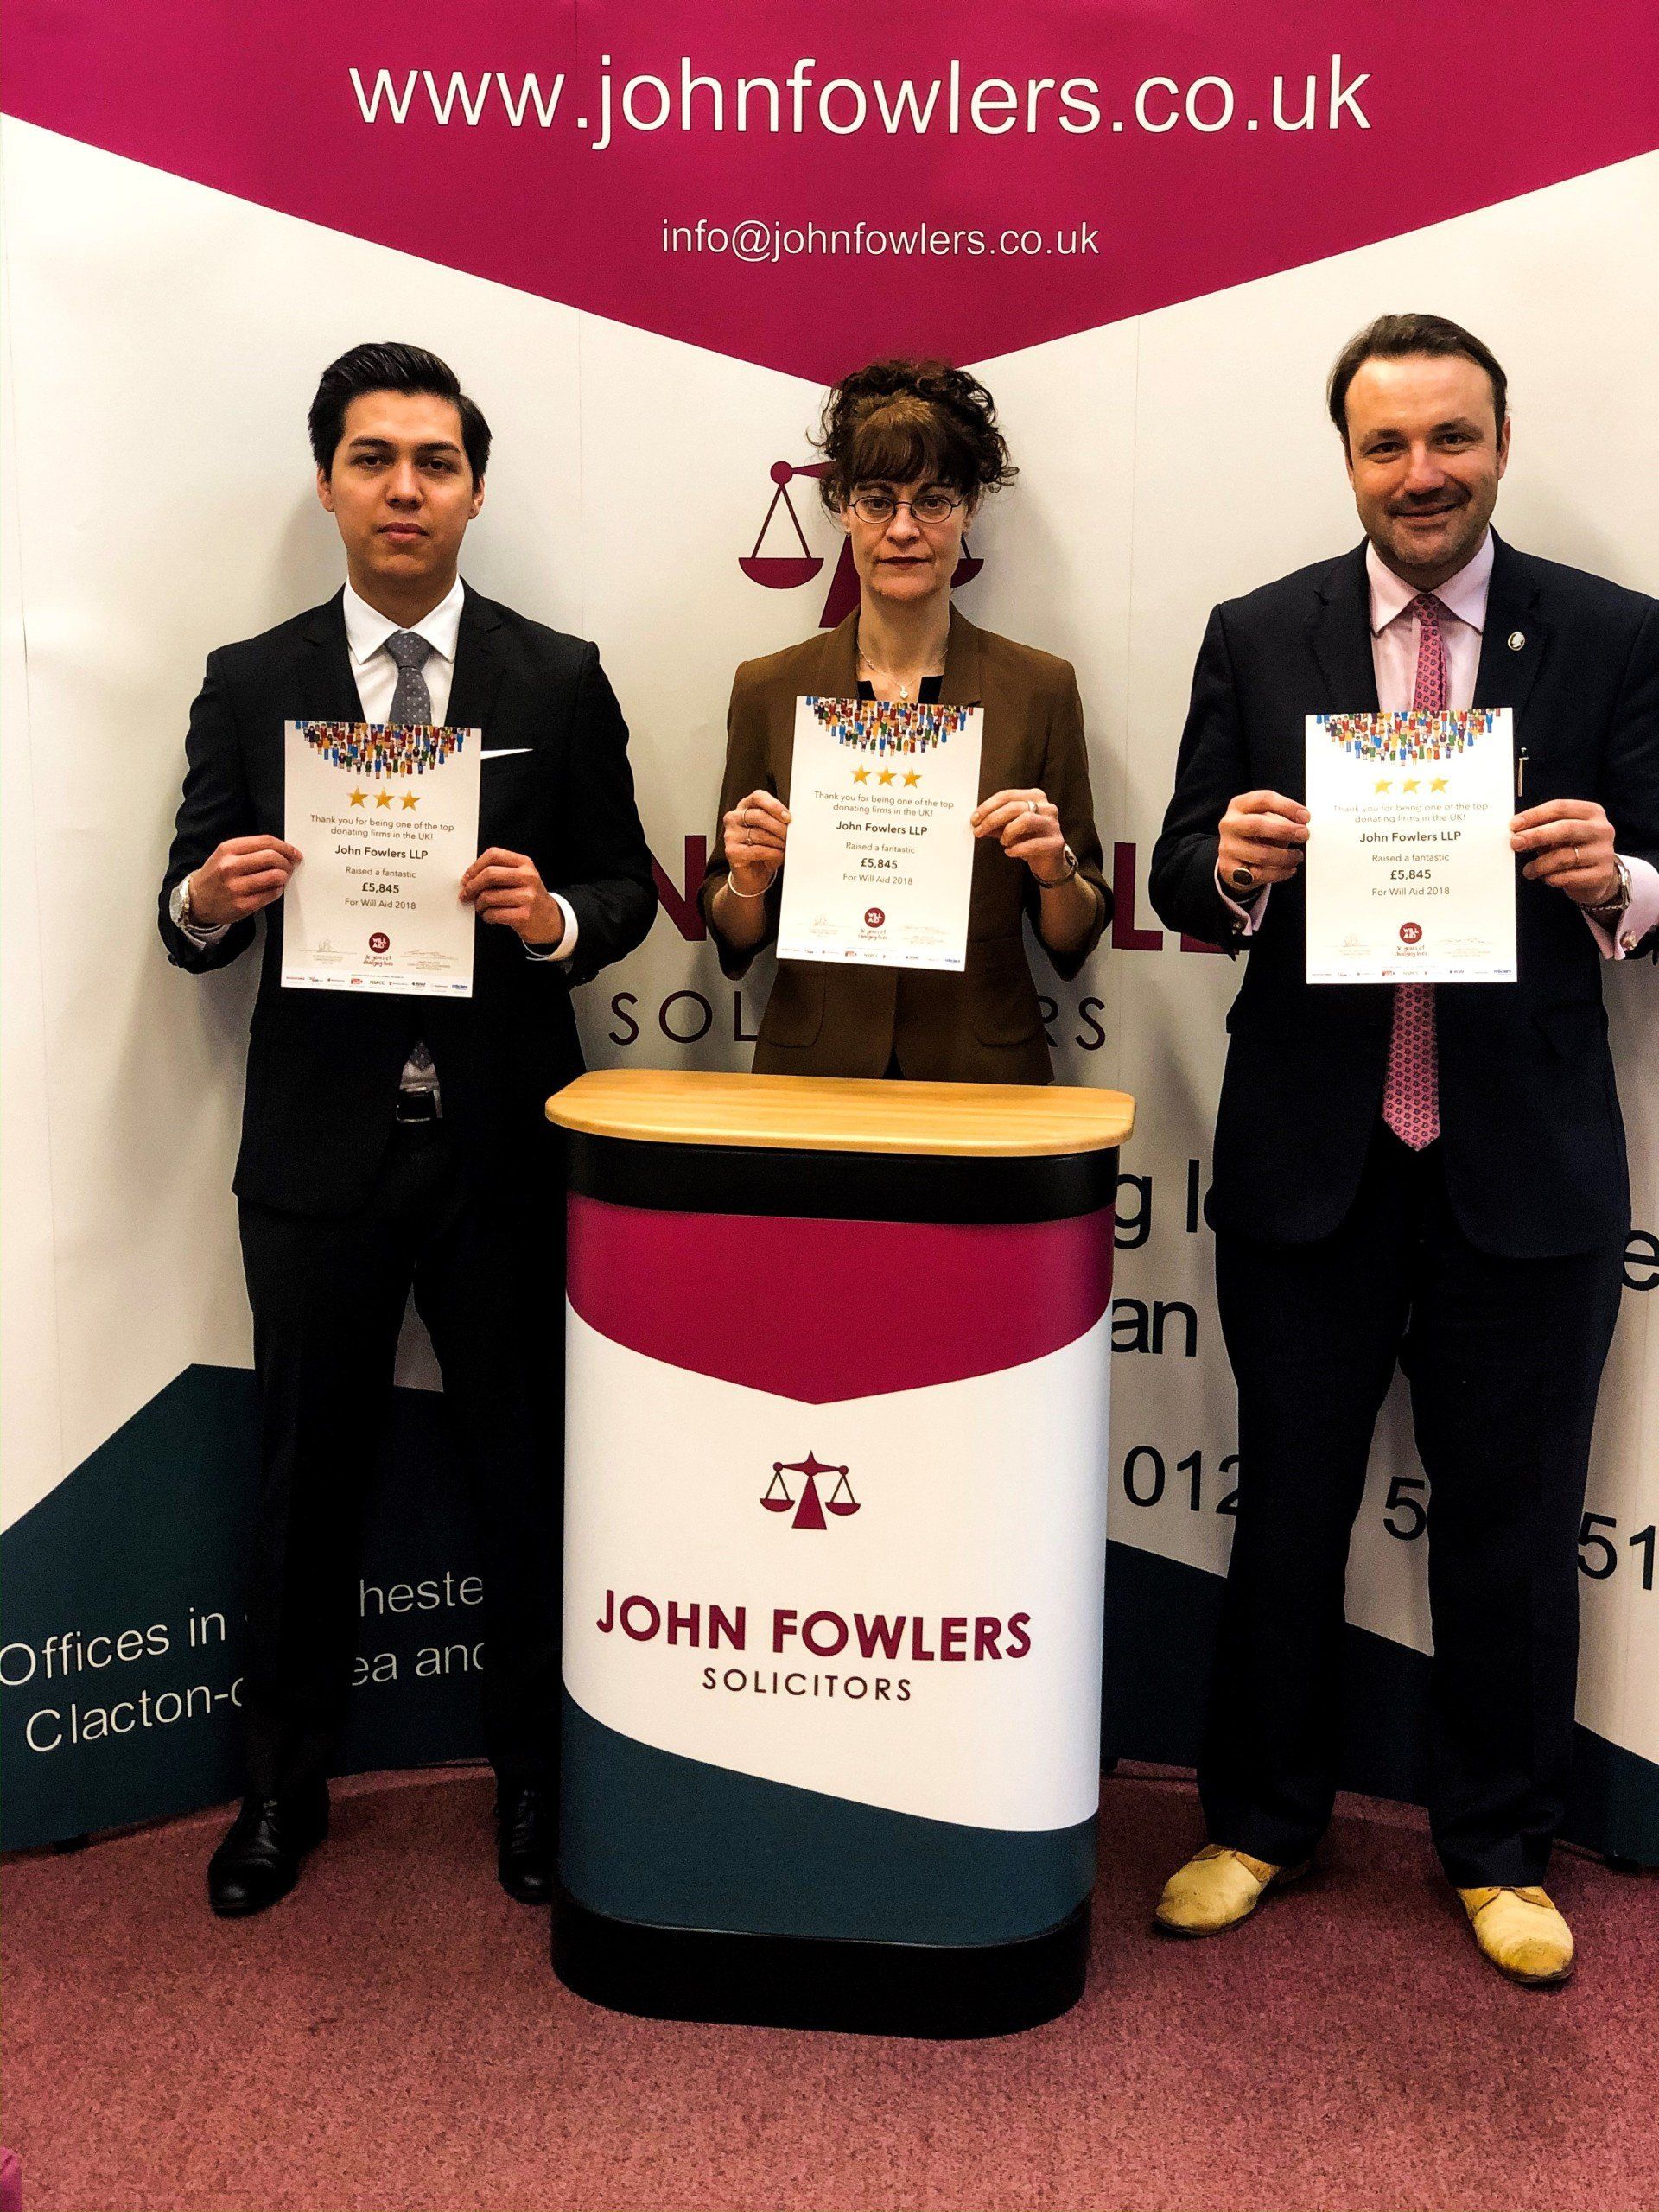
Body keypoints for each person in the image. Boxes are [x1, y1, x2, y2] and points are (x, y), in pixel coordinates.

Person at [1148, 314, 1658, 1985]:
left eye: (1451, 439)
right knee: (1286, 1505)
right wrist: (1228, 861)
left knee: (1510, 1523)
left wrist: (1621, 881)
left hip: (1524, 1166)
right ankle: (1258, 1821)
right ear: (1348, 459)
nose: (1421, 473)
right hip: (1317, 1152)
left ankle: (1501, 1848)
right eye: (1387, 444)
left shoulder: (1610, 637)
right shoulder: (1256, 631)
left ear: (1501, 442)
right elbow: (1172, 881)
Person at [159, 342, 655, 1915]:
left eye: (434, 461)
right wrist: (208, 899)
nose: (404, 487)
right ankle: (278, 1794)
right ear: (328, 482)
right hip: (318, 1156)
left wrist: (556, 913)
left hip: (505, 1144)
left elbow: (633, 889)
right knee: (308, 1480)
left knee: (530, 1479)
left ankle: (536, 1788)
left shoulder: (558, 675)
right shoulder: (253, 682)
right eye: (374, 458)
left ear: (475, 490)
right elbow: (178, 913)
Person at [700, 359, 1109, 1079]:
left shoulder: (1040, 688)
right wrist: (748, 882)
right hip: (815, 1070)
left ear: (970, 508)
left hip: (983, 1074)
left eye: (933, 501)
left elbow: (1074, 939)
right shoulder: (768, 687)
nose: (903, 530)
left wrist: (1052, 871)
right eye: (877, 499)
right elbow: (733, 937)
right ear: (840, 509)